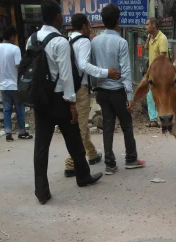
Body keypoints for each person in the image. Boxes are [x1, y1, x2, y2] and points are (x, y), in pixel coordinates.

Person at [29, 0, 102, 205]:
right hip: (59, 99)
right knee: (74, 141)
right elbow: (66, 75)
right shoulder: (59, 42)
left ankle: (41, 191)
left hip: (40, 99)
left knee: (41, 147)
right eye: (61, 14)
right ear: (57, 17)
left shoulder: (32, 39)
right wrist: (72, 103)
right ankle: (83, 177)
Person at [63, 13, 121, 178]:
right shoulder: (83, 41)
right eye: (88, 24)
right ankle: (70, 163)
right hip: (81, 88)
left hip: (70, 88)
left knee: (81, 122)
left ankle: (92, 153)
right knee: (80, 127)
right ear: (83, 26)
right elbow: (83, 65)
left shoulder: (68, 41)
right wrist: (106, 73)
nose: (89, 27)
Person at [91, 4, 145, 175]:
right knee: (126, 125)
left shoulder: (95, 41)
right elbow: (126, 70)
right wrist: (129, 95)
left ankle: (109, 164)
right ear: (118, 21)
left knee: (107, 126)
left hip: (102, 91)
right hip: (118, 91)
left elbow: (92, 67)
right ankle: (131, 158)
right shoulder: (121, 42)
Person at [0, 26, 33, 143]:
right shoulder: (15, 49)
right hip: (15, 84)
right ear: (12, 36)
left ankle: (8, 132)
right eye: (14, 37)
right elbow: (19, 66)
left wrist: (1, 75)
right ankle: (22, 132)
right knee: (19, 108)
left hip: (3, 85)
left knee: (7, 109)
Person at [145, 17, 168, 128]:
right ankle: (153, 119)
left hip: (160, 72)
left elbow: (162, 57)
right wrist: (148, 40)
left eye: (148, 24)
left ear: (154, 25)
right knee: (150, 95)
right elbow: (146, 49)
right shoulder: (151, 38)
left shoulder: (162, 38)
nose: (146, 27)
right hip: (152, 72)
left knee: (161, 96)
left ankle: (162, 118)